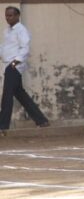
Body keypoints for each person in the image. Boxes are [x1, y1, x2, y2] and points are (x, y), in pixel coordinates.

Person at [0, 7, 50, 135]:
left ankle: (3, 125)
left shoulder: (21, 30)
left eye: (11, 15)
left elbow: (25, 48)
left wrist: (15, 62)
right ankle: (42, 121)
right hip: (8, 65)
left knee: (7, 96)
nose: (8, 18)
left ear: (17, 16)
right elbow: (5, 48)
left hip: (14, 66)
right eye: (6, 15)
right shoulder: (7, 31)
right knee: (21, 95)